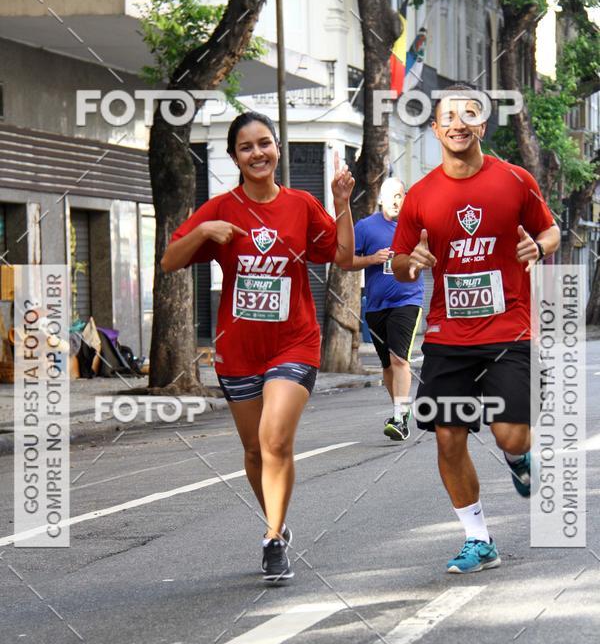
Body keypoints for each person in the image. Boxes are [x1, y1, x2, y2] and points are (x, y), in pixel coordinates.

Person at [161, 111, 355, 582]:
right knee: (254, 452)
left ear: (278, 149)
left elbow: (343, 256)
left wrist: (341, 204)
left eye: (264, 143)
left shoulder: (301, 205)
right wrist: (203, 232)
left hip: (294, 343)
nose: (257, 153)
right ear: (234, 158)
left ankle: (271, 540)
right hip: (238, 350)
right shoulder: (220, 209)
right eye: (246, 147)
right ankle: (278, 522)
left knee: (275, 439)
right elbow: (170, 261)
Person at [391, 83, 560, 574]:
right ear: (435, 128)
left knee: (511, 437)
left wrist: (539, 247)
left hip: (510, 332)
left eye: (469, 114)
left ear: (482, 125)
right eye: (449, 116)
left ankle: (519, 459)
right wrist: (411, 261)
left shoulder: (515, 180)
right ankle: (478, 538)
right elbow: (399, 263)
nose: (458, 124)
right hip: (448, 336)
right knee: (448, 437)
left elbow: (549, 229)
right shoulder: (420, 196)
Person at [348, 177, 424, 440]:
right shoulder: (365, 227)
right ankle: (400, 410)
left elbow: (432, 254)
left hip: (407, 300)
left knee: (399, 359)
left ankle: (400, 418)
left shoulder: (416, 227)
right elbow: (347, 261)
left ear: (406, 199)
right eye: (390, 195)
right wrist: (372, 258)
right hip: (376, 306)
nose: (395, 201)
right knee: (387, 365)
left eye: (400, 195)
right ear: (380, 198)